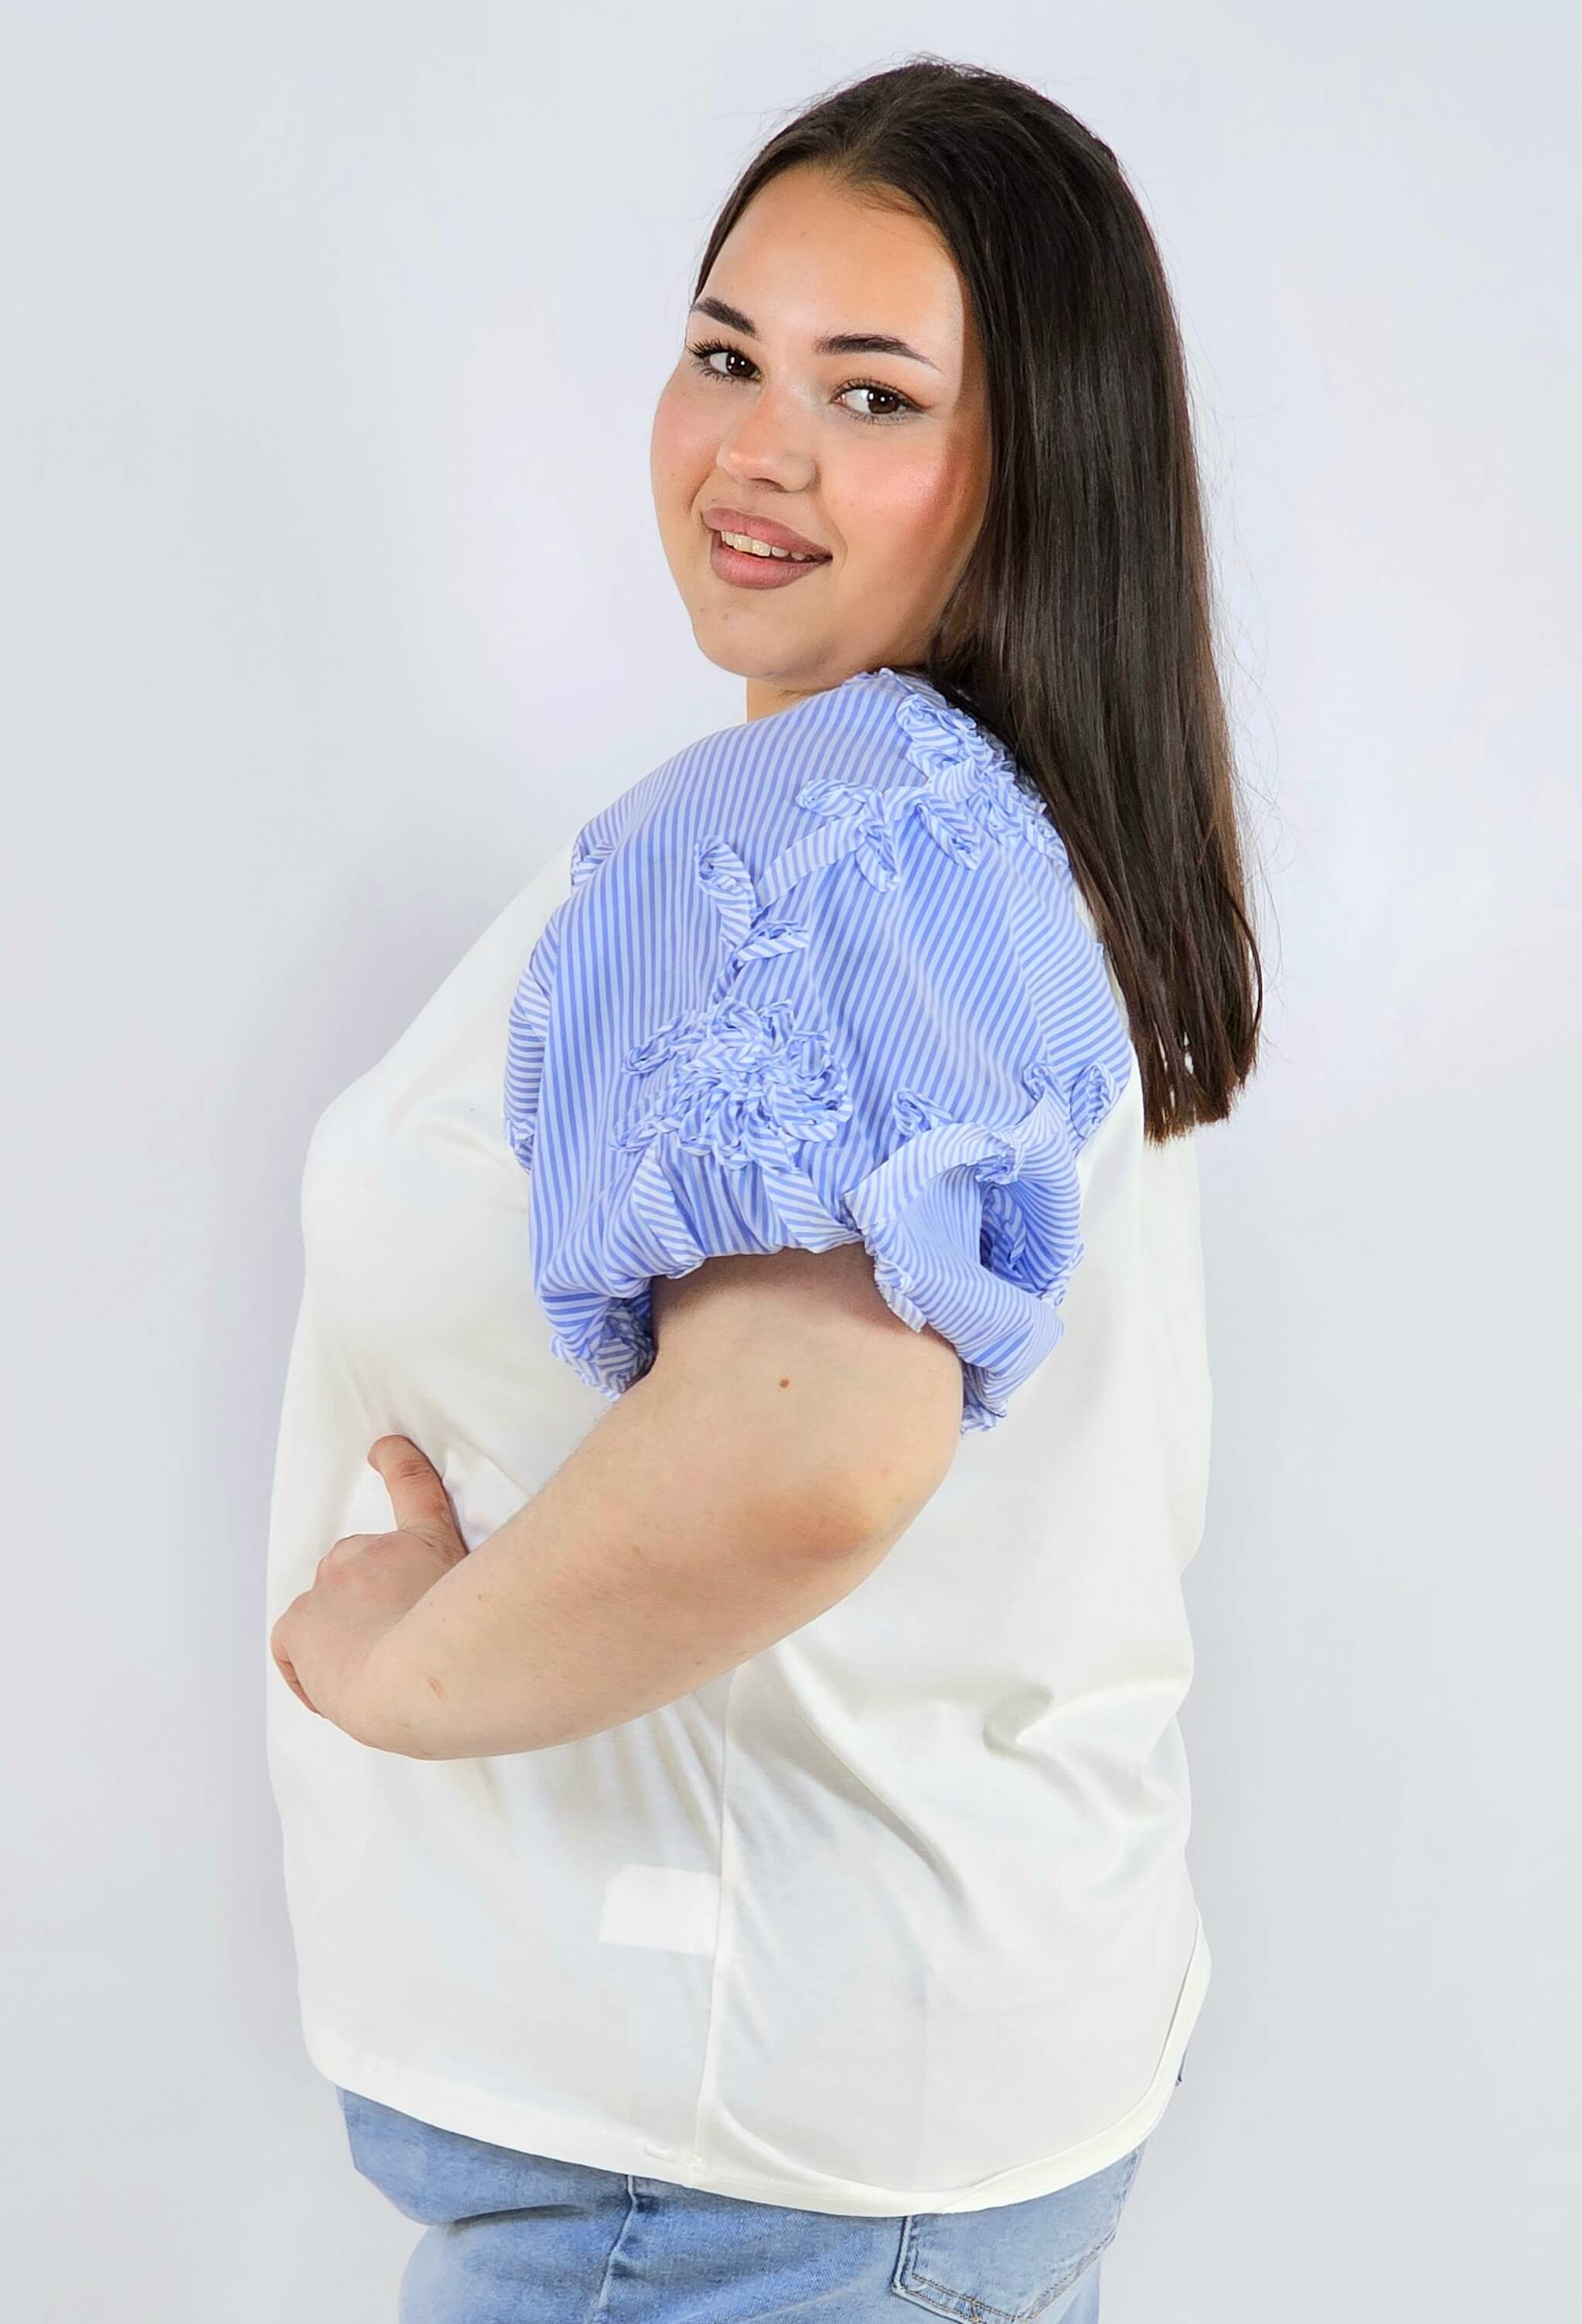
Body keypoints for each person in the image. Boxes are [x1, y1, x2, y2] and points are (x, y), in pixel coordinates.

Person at [266, 55, 1262, 2324]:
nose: (757, 450)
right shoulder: (1002, 824)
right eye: (727, 356)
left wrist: (397, 1670)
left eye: (872, 395)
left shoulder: (822, 838)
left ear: (1038, 465)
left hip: (717, 2178)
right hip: (903, 2107)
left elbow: (810, 1448)